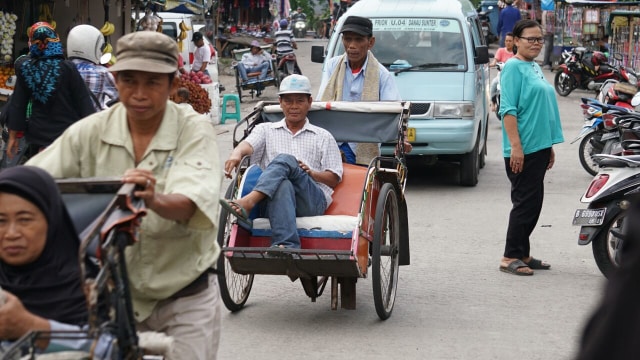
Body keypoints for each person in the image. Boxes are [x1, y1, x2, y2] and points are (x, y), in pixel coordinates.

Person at [26, 31, 223, 360]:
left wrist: (154, 198)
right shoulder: (91, 131)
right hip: (113, 296)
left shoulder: (193, 128)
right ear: (114, 80)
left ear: (173, 85)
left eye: (153, 82)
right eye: (129, 81)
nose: (140, 94)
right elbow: (31, 182)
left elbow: (191, 200)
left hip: (184, 294)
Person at [219, 74, 343, 250]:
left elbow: (334, 178)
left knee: (286, 159)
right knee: (283, 183)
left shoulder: (323, 136)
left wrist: (311, 173)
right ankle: (286, 244)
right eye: (288, 101)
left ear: (309, 102)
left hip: (310, 201)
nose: (293, 106)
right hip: (272, 201)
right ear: (280, 102)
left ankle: (249, 201)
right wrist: (236, 154)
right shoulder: (265, 129)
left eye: (299, 101)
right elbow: (247, 144)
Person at [498, 19, 564, 276]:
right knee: (525, 203)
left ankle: (523, 252)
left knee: (534, 201)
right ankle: (509, 256)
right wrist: (516, 147)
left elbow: (539, 108)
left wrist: (549, 146)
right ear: (516, 41)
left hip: (539, 146)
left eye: (540, 39)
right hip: (522, 148)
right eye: (531, 39)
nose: (537, 43)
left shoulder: (532, 66)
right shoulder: (513, 67)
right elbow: (508, 110)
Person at [0, 166, 90, 352]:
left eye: (25, 220)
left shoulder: (88, 287)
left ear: (52, 221)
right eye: (1, 221)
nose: (11, 234)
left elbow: (112, 349)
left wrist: (33, 327)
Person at [317, 15, 402, 165]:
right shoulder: (332, 66)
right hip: (332, 142)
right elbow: (322, 101)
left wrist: (403, 137)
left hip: (361, 145)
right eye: (348, 39)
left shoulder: (382, 75)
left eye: (358, 40)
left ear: (370, 42)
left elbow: (394, 111)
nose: (351, 45)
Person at [5, 22, 95, 162]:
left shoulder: (27, 69)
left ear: (33, 44)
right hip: (67, 134)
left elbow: (18, 104)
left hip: (39, 135)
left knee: (42, 175)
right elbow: (83, 100)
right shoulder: (67, 68)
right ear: (56, 42)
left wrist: (13, 137)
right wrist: (94, 133)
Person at [67, 24, 119, 111]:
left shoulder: (61, 71)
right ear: (95, 46)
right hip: (93, 123)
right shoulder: (102, 73)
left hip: (68, 124)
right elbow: (120, 97)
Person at [490, 32, 515, 112]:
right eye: (506, 41)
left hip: (513, 76)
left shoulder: (516, 53)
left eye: (510, 41)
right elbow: (495, 60)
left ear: (514, 42)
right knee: (494, 83)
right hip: (501, 75)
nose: (508, 43)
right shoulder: (500, 50)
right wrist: (492, 64)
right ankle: (493, 103)